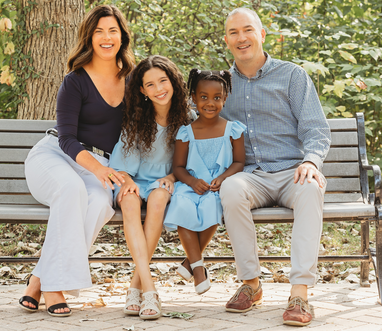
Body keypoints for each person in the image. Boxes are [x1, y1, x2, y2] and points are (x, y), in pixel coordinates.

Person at [18, 5, 135, 317]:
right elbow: (66, 138)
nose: (106, 37)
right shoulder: (76, 81)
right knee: (71, 190)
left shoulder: (133, 81)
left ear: (122, 36)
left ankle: (39, 279)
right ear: (89, 38)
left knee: (100, 203)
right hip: (55, 157)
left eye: (113, 30)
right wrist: (99, 169)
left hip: (96, 168)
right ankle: (54, 288)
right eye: (99, 31)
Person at [219, 7, 331, 327]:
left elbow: (315, 129)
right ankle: (251, 284)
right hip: (251, 174)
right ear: (227, 40)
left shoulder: (292, 75)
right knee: (231, 189)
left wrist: (311, 161)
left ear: (262, 34)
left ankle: (299, 293)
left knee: (312, 187)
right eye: (235, 33)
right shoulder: (222, 84)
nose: (242, 38)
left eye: (248, 30)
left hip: (292, 171)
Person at [109, 55, 194, 320]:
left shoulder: (188, 119)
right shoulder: (136, 120)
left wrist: (172, 176)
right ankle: (149, 288)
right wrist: (129, 181)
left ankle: (136, 287)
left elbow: (194, 162)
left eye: (163, 81)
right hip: (133, 179)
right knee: (130, 201)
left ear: (173, 82)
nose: (159, 89)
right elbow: (122, 167)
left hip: (165, 182)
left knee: (158, 200)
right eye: (150, 85)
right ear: (143, 91)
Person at [163, 69, 246, 295]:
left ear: (225, 98)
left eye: (217, 98)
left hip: (217, 187)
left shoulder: (233, 130)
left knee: (213, 204)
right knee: (181, 204)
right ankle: (199, 268)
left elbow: (239, 162)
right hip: (189, 186)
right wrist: (191, 181)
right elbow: (178, 167)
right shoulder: (186, 132)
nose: (210, 103)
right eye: (203, 97)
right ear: (193, 98)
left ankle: (192, 263)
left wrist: (222, 178)